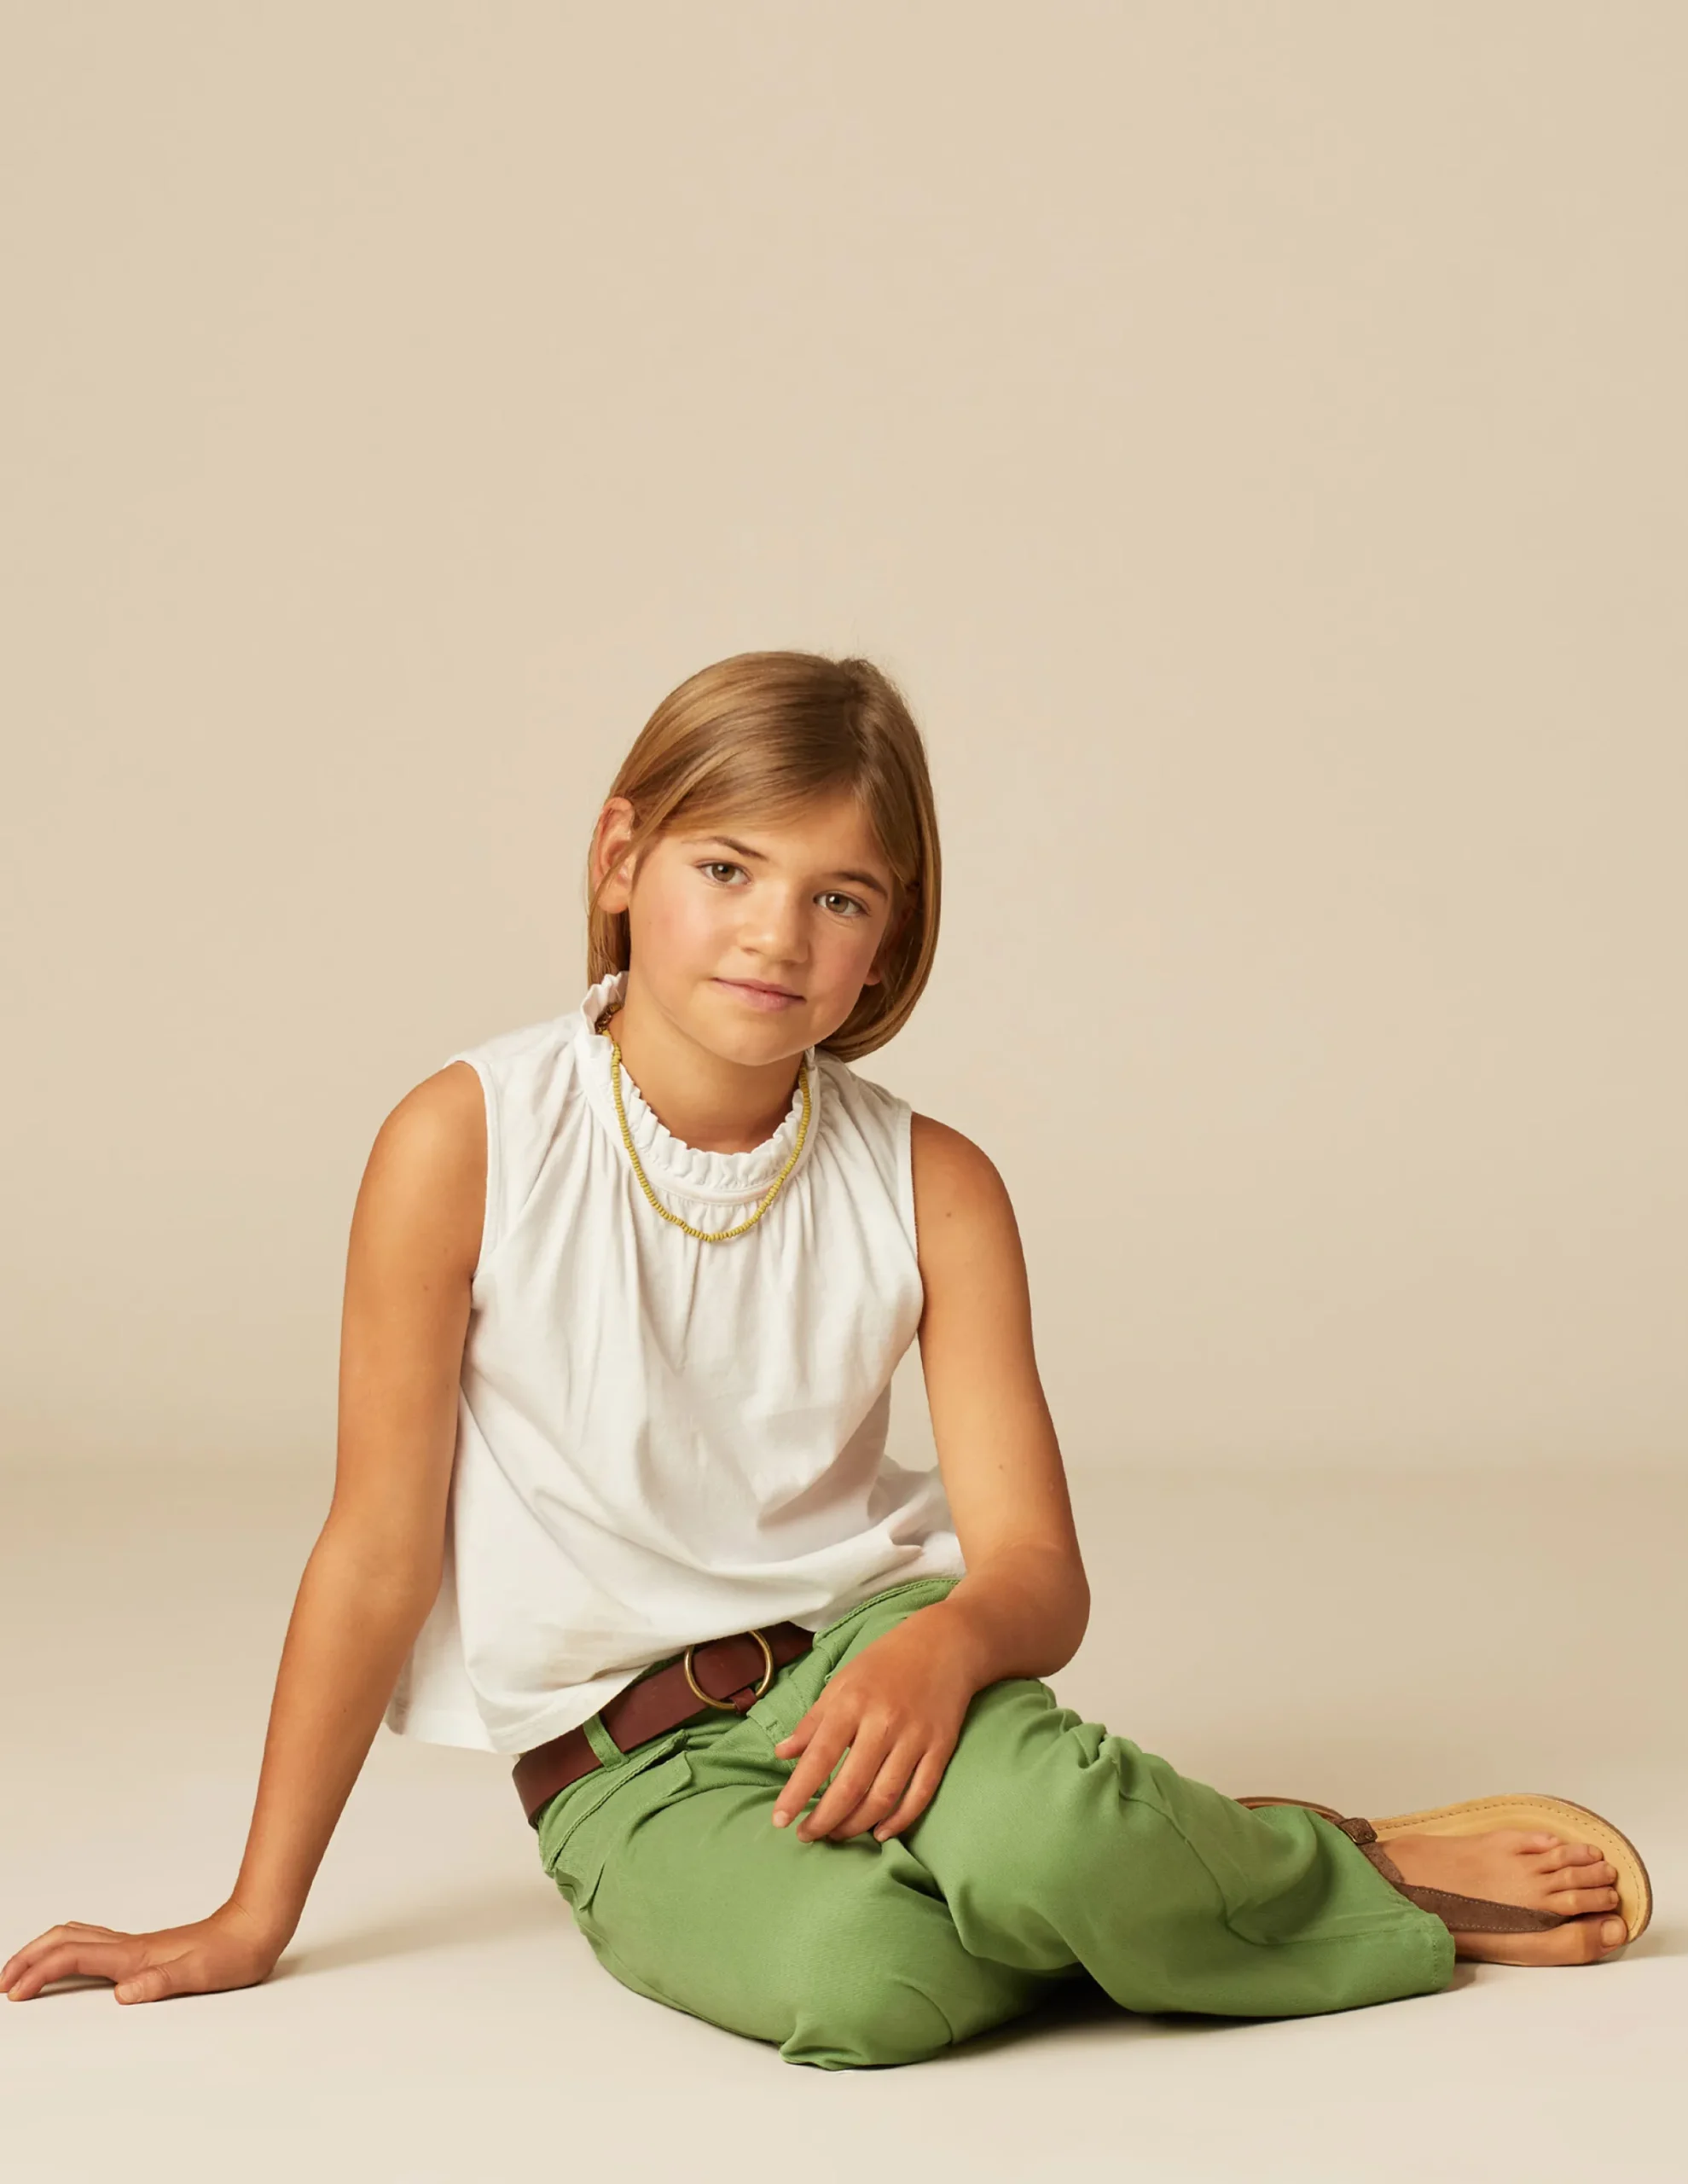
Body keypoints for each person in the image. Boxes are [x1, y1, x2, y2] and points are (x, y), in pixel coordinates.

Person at [3, 651, 1651, 2068]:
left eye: (837, 897)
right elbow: (375, 1550)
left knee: (1043, 1836)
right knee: (863, 1986)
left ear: (886, 938)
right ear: (619, 858)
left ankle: (1297, 1871)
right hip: (625, 1767)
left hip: (878, 1664)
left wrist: (942, 1654)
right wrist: (254, 1913)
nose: (774, 934)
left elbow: (1036, 1570)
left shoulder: (935, 1185)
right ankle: (1177, 1874)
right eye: (727, 868)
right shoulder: (464, 1141)